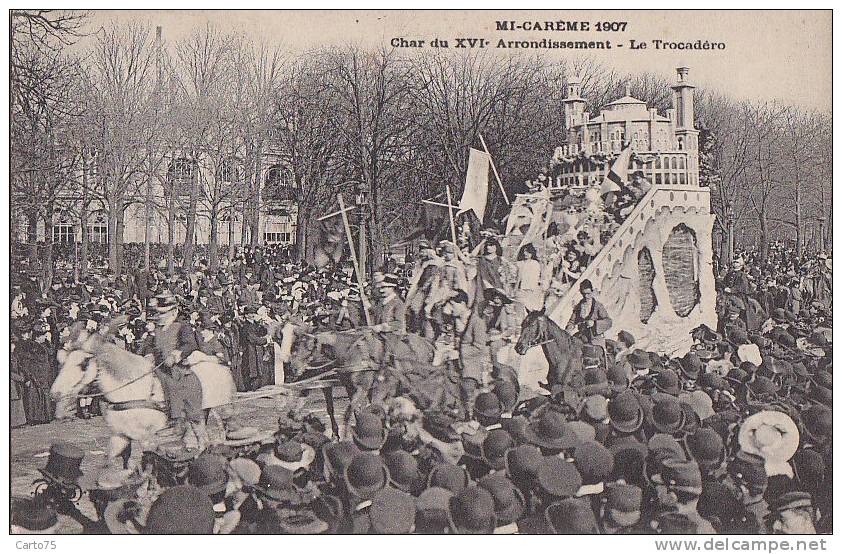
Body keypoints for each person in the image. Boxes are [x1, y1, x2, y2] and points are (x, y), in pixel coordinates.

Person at [566, 280, 612, 348]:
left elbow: (609, 322)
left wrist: (594, 323)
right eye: (583, 294)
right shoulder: (578, 306)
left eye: (588, 293)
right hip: (581, 337)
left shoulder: (598, 306)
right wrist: (569, 328)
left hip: (595, 339)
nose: (586, 296)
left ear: (592, 291)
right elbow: (572, 321)